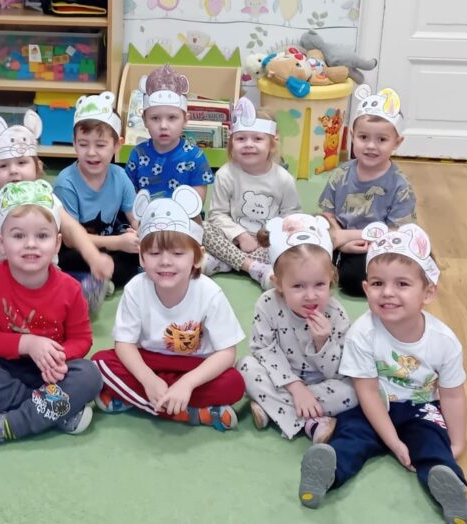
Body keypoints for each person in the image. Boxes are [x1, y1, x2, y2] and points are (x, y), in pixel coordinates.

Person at [298, 223, 467, 524]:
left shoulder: (444, 342)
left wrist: (457, 443)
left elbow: (453, 395)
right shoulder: (362, 333)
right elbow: (366, 391)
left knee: (433, 444)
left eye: (402, 284)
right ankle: (326, 474)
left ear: (428, 292)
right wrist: (394, 442)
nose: (388, 293)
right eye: (378, 283)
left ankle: (452, 491)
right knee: (351, 435)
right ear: (366, 289)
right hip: (373, 406)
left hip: (421, 408)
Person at [0, 180, 101, 447]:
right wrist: (27, 344)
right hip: (4, 367)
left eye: (42, 236)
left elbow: (82, 339)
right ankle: (52, 412)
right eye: (18, 236)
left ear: (57, 243)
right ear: (1, 243)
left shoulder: (70, 288)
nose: (31, 244)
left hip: (51, 373)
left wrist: (57, 357)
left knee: (90, 374)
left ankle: (9, 425)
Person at [91, 186, 245, 431]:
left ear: (197, 257)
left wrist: (187, 384)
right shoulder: (135, 289)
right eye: (154, 253)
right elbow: (124, 344)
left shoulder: (210, 293)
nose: (165, 261)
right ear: (141, 257)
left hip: (193, 365)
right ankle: (188, 412)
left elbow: (227, 352)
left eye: (177, 253)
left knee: (234, 383)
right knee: (99, 363)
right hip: (149, 361)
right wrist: (148, 380)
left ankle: (136, 400)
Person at [0, 110, 114, 311]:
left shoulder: (47, 198)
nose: (13, 170)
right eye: (3, 166)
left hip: (50, 278)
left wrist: (94, 257)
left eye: (22, 162)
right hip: (10, 283)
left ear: (37, 167)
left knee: (65, 299)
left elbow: (72, 228)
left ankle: (86, 289)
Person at [237, 214, 357, 443]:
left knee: (355, 388)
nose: (310, 295)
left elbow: (339, 372)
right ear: (278, 284)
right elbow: (262, 350)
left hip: (322, 383)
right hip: (280, 378)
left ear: (331, 279)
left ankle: (272, 407)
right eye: (298, 286)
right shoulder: (267, 303)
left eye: (319, 284)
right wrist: (295, 388)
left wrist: (323, 343)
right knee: (244, 366)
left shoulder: (336, 313)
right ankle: (312, 421)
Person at [318, 86, 416, 296]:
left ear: (397, 142)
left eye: (382, 140)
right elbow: (327, 214)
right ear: (352, 136)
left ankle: (336, 266)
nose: (371, 146)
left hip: (376, 245)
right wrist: (340, 242)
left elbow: (398, 232)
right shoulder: (340, 173)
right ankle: (333, 262)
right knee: (305, 240)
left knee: (356, 280)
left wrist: (345, 237)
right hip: (337, 236)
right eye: (363, 138)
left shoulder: (400, 186)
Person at [202, 97, 300, 288]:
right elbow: (218, 215)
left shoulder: (283, 179)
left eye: (257, 139)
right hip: (233, 240)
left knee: (294, 246)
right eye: (241, 139)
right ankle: (254, 268)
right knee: (203, 228)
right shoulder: (225, 174)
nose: (248, 144)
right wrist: (241, 236)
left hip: (266, 245)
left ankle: (225, 262)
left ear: (272, 143)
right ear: (232, 143)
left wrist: (269, 236)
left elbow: (291, 216)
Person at [53, 91, 141, 290]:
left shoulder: (120, 176)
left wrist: (139, 234)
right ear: (74, 143)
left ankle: (101, 279)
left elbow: (135, 217)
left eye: (100, 145)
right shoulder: (66, 183)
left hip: (110, 243)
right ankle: (93, 280)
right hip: (78, 248)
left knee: (136, 252)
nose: (91, 152)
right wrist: (118, 242)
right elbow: (71, 240)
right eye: (83, 144)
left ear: (117, 145)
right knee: (67, 259)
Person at [125, 64, 214, 201]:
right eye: (155, 118)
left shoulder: (195, 156)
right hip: (146, 213)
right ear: (144, 121)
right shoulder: (138, 154)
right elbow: (129, 196)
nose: (163, 126)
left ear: (185, 120)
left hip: (184, 214)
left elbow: (197, 201)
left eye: (172, 118)